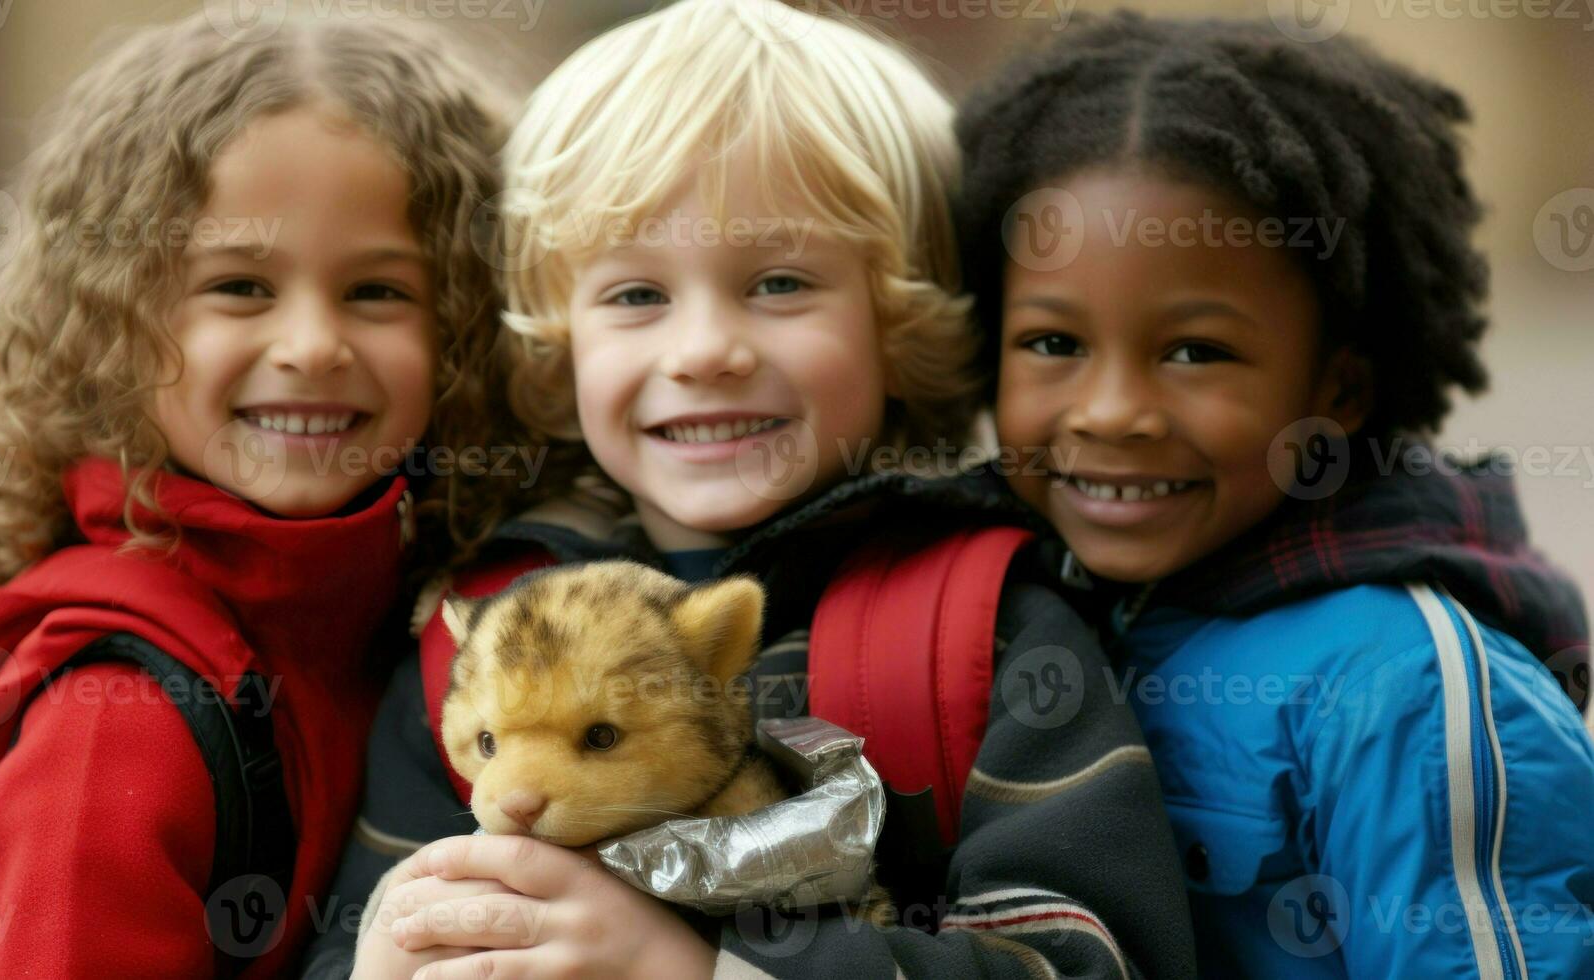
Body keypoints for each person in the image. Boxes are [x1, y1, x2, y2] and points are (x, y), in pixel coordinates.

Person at [307, 2, 1195, 978]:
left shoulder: (984, 630)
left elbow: (1095, 959)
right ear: (563, 344)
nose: (705, 352)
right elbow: (363, 932)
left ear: (896, 319)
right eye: (637, 295)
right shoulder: (471, 641)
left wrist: (694, 963)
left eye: (778, 283)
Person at [0, 11, 526, 976]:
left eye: (377, 292)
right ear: (109, 321)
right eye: (239, 287)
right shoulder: (117, 729)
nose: (311, 343)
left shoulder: (414, 594)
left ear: (467, 327)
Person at [956, 13, 1594, 977]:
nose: (1112, 411)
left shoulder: (1405, 687)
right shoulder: (1011, 615)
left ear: (1334, 392)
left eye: (1195, 353)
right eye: (1053, 344)